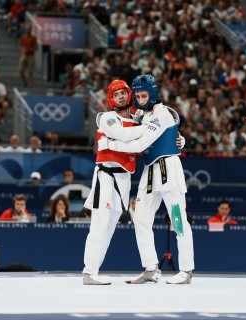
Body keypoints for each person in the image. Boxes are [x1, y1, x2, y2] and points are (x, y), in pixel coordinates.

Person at [98, 74, 194, 285]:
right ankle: (151, 267)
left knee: (178, 220)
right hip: (149, 172)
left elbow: (140, 145)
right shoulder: (140, 114)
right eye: (138, 96)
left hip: (169, 168)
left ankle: (186, 271)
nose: (141, 99)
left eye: (144, 95)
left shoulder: (164, 114)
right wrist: (180, 139)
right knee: (140, 218)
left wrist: (109, 146)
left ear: (153, 93)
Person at [82, 79, 146, 285]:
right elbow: (122, 134)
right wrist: (147, 130)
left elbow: (136, 143)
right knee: (99, 223)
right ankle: (89, 272)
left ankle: (93, 271)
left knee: (109, 228)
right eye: (116, 94)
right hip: (105, 175)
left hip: (124, 178)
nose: (121, 97)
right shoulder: (106, 118)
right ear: (111, 98)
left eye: (123, 93)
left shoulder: (138, 119)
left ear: (129, 95)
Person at [19, 23, 37, 88]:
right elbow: (21, 45)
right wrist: (22, 51)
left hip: (31, 55)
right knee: (21, 69)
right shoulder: (23, 37)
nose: (28, 30)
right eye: (27, 29)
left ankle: (30, 84)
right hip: (24, 55)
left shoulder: (33, 38)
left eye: (29, 29)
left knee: (30, 71)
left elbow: (36, 47)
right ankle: (25, 82)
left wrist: (29, 50)